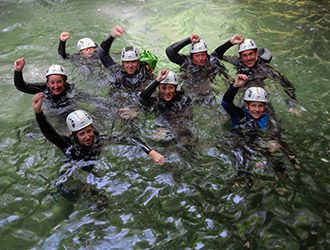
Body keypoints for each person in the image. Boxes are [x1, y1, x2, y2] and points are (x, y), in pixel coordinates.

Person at [32, 92, 165, 165]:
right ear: (74, 136)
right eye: (82, 134)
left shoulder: (98, 139)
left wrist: (151, 152)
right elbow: (50, 134)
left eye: (89, 131)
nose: (88, 136)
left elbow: (130, 139)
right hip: (73, 166)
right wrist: (39, 114)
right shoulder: (67, 144)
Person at [221, 74, 296, 183]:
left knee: (276, 150)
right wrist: (235, 86)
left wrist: (274, 141)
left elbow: (274, 130)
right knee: (242, 154)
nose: (257, 109)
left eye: (260, 106)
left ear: (265, 107)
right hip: (241, 140)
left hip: (260, 139)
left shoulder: (267, 115)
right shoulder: (240, 114)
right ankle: (242, 178)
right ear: (247, 106)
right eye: (253, 105)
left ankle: (282, 175)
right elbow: (226, 103)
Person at [214, 35, 298, 111]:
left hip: (259, 96)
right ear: (240, 57)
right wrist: (230, 43)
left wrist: (293, 104)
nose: (248, 58)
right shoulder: (237, 62)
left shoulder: (264, 69)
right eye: (245, 55)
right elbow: (215, 56)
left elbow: (286, 84)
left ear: (256, 54)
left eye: (251, 54)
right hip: (241, 93)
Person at [165, 33, 231, 96]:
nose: (201, 58)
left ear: (207, 55)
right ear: (191, 56)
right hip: (188, 89)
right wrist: (189, 40)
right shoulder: (185, 62)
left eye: (203, 55)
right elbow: (169, 51)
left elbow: (227, 77)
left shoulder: (212, 61)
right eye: (197, 56)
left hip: (208, 89)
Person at [139, 70, 193, 143]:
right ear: (159, 89)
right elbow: (141, 98)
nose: (167, 91)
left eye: (170, 88)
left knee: (186, 140)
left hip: (178, 129)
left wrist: (168, 130)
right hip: (161, 126)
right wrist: (157, 81)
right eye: (163, 88)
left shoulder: (184, 100)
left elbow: (186, 122)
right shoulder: (156, 100)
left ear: (175, 88)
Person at [99, 26, 154, 90]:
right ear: (122, 63)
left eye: (133, 62)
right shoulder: (117, 71)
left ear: (138, 62)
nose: (130, 66)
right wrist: (112, 36)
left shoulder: (145, 71)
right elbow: (102, 53)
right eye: (127, 62)